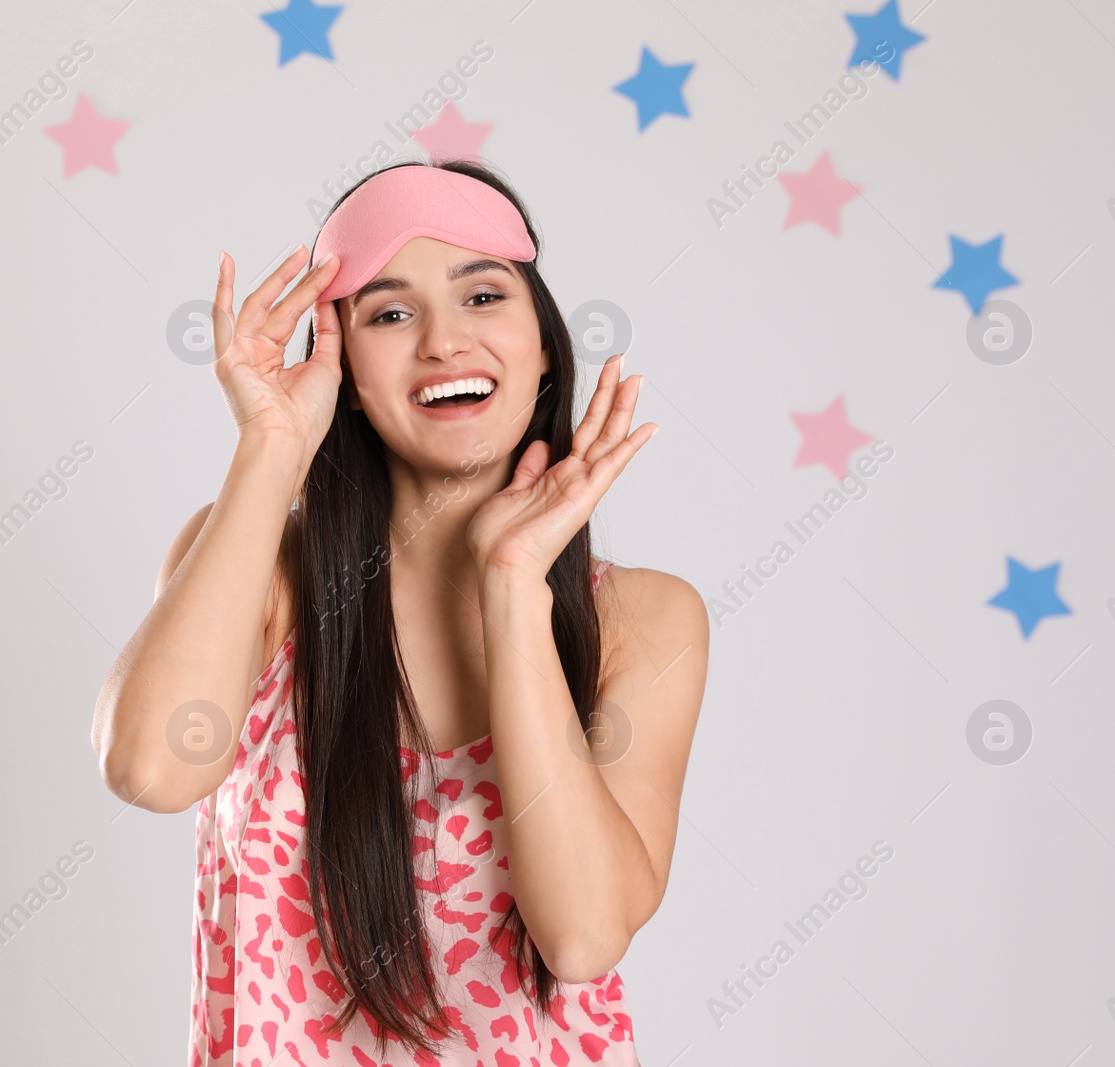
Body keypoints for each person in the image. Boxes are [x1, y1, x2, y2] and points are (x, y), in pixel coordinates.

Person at [91, 160, 709, 1066]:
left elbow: (581, 937)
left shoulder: (644, 619)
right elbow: (149, 768)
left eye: (484, 295)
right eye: (388, 312)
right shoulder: (261, 572)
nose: (443, 342)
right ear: (338, 366)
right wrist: (270, 444)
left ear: (543, 344)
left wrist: (513, 589)